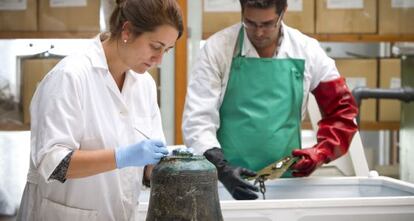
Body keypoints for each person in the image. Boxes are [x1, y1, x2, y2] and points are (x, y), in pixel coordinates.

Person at [16, 0, 183, 220]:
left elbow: (146, 167)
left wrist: (164, 166)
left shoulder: (145, 85)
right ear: (128, 31)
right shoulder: (70, 76)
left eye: (167, 50)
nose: (159, 59)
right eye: (155, 46)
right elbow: (53, 164)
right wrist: (121, 156)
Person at [182, 0, 358, 200]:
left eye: (267, 24)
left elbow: (342, 113)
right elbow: (197, 120)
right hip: (226, 185)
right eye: (250, 23)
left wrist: (321, 152)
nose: (258, 32)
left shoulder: (307, 50)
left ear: (283, 12)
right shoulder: (218, 48)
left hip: (288, 185)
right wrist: (221, 168)